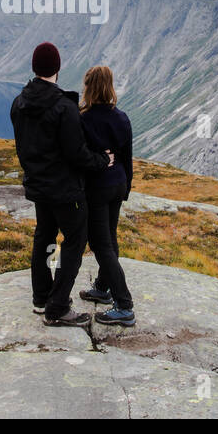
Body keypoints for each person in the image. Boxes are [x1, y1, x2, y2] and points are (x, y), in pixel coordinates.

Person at [10, 42, 112, 327]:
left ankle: (41, 298)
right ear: (57, 68)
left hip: (39, 187)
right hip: (66, 190)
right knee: (74, 241)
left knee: (44, 237)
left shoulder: (19, 103)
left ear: (34, 67)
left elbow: (23, 147)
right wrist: (102, 160)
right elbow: (76, 154)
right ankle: (57, 306)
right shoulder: (64, 107)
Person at [76, 66, 135, 326]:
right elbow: (127, 157)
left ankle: (124, 304)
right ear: (110, 86)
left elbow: (80, 157)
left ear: (88, 87)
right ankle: (102, 286)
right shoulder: (121, 117)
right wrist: (127, 187)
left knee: (101, 245)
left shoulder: (83, 119)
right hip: (118, 183)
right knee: (109, 237)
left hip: (97, 188)